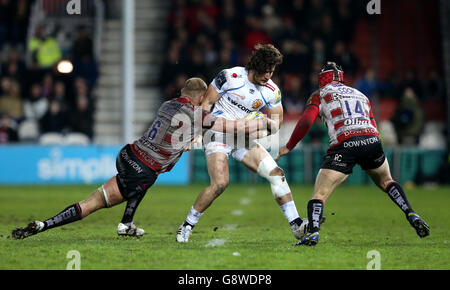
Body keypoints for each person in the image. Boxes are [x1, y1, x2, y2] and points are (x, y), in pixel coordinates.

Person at [11, 78, 272, 239]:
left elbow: (177, 129)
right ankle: (125, 224)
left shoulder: (166, 105)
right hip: (142, 168)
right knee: (148, 175)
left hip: (126, 155)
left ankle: (44, 224)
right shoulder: (199, 115)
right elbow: (234, 128)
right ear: (202, 98)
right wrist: (262, 124)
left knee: (93, 202)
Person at [276, 62, 430, 246]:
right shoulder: (361, 94)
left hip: (345, 144)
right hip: (372, 141)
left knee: (319, 194)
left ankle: (313, 233)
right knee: (387, 181)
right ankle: (410, 212)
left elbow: (306, 121)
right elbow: (373, 124)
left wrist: (289, 146)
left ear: (322, 79)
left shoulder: (320, 94)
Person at [176, 44, 311, 243]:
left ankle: (296, 225)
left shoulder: (272, 91)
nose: (268, 76)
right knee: (220, 184)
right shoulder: (230, 77)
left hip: (242, 138)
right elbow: (206, 105)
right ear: (255, 66)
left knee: (277, 174)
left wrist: (261, 129)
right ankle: (187, 225)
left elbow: (276, 124)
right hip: (217, 133)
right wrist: (197, 133)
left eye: (272, 71)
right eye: (265, 71)